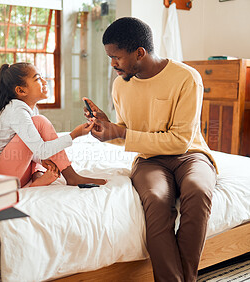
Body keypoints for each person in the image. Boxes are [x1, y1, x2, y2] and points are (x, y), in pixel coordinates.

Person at [83, 17, 217, 281]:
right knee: (156, 200)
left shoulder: (187, 78)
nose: (112, 65)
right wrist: (110, 131)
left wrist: (121, 132)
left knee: (198, 190)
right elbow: (129, 131)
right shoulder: (121, 84)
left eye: (116, 57)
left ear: (140, 53)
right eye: (110, 57)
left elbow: (180, 141)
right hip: (149, 161)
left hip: (190, 155)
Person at [0, 62, 106, 188]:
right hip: (1, 177)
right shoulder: (17, 111)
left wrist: (42, 161)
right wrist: (74, 135)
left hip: (16, 173)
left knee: (42, 147)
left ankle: (37, 178)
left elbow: (32, 149)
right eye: (38, 79)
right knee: (40, 124)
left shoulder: (30, 109)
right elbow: (41, 150)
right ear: (21, 90)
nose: (45, 82)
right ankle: (71, 176)